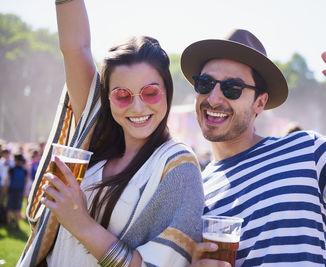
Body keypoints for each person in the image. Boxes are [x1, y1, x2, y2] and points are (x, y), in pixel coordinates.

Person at [180, 29, 326, 266]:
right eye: (205, 84)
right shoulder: (196, 193)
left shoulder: (308, 151)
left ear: (260, 102)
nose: (213, 98)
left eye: (232, 88)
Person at [17, 0, 204, 266]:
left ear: (167, 91)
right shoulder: (98, 136)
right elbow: (75, 48)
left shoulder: (178, 165)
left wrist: (80, 222)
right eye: (122, 95)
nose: (137, 107)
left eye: (150, 92)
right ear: (107, 98)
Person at [5, 154, 28, 229]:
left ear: (15, 160)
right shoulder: (24, 170)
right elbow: (26, 181)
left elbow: (7, 180)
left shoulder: (12, 169)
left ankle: (8, 224)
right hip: (20, 190)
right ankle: (17, 224)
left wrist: (6, 189)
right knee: (18, 208)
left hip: (12, 189)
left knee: (9, 207)